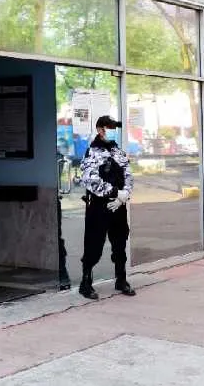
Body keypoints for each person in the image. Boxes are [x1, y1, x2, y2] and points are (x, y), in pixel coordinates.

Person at [78, 115, 136, 299]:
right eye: (108, 127)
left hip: (118, 206)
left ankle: (121, 279)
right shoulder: (92, 151)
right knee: (94, 245)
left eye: (113, 128)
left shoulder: (117, 151)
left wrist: (124, 195)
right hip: (99, 206)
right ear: (100, 129)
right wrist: (114, 193)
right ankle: (85, 284)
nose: (111, 131)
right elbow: (90, 179)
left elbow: (128, 173)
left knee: (120, 244)